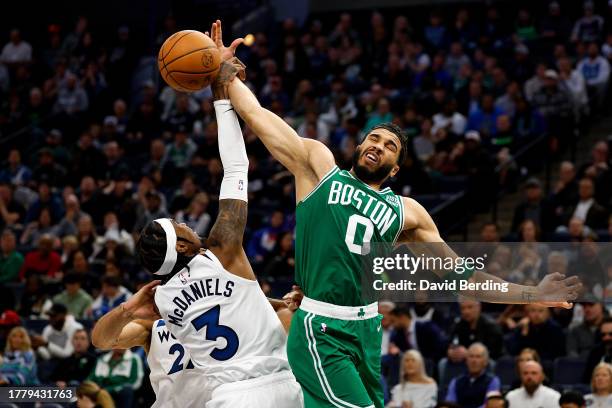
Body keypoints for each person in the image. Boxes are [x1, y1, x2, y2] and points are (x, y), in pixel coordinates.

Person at [218, 19, 580, 408]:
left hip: (368, 328)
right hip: (321, 327)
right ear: (359, 146)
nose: (378, 145)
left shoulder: (408, 212)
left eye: (389, 146)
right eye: (373, 138)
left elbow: (464, 278)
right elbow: (259, 117)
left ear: (394, 169)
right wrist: (224, 73)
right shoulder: (318, 168)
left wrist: (531, 294)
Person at [135, 24, 303, 408]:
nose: (189, 225)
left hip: (228, 397)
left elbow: (229, 307)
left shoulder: (164, 301)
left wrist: (280, 304)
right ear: (182, 244)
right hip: (280, 384)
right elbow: (235, 168)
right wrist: (219, 92)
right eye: (182, 227)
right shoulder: (223, 251)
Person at [445, 343, 500, 408]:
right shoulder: (456, 381)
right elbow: (450, 403)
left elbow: (490, 405)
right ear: (466, 360)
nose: (474, 360)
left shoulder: (493, 381)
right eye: (471, 356)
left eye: (478, 357)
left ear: (485, 362)